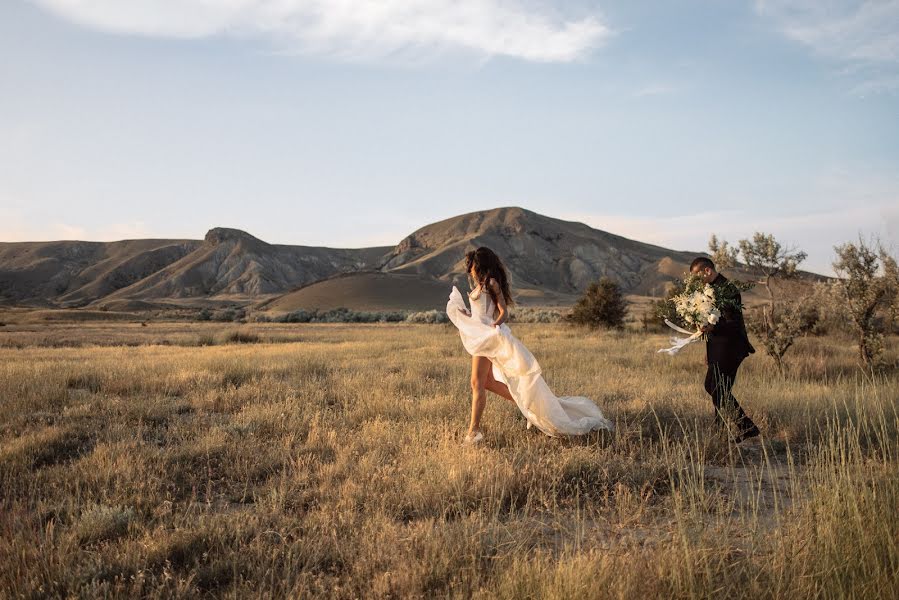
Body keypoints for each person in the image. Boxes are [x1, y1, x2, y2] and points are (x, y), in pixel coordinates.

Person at [447, 246, 613, 444]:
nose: (470, 269)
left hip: (489, 338)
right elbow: (480, 314)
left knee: (477, 383)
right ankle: (529, 408)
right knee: (487, 382)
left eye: (473, 265)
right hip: (481, 338)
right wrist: (466, 314)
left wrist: (495, 326)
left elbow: (503, 312)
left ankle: (473, 433)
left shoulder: (492, 283)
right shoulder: (479, 285)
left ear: (481, 265)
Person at [690, 257, 761, 443]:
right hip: (717, 346)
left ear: (707, 271)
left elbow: (733, 323)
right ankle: (738, 429)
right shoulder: (708, 290)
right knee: (716, 388)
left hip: (731, 346)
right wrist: (708, 348)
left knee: (717, 389)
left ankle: (741, 428)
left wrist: (713, 328)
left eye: (697, 275)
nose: (696, 281)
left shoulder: (727, 289)